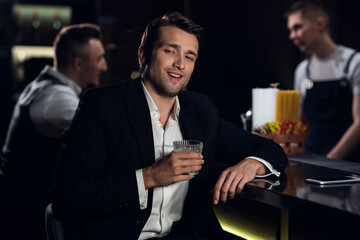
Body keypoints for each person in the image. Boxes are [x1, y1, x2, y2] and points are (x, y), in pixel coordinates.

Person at [52, 12, 287, 240]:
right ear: (144, 55)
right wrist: (149, 177)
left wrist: (250, 165)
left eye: (189, 57)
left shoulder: (200, 109)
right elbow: (68, 198)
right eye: (170, 51)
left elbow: (270, 150)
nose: (180, 64)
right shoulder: (103, 105)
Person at [0, 23, 107, 240]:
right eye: (99, 59)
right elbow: (101, 137)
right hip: (28, 218)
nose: (104, 67)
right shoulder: (56, 98)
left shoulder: (45, 86)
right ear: (78, 63)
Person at [285, 1, 360, 161]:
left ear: (319, 24)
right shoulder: (302, 70)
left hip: (350, 165)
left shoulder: (354, 63)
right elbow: (301, 121)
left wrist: (330, 161)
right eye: (290, 30)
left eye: (297, 27)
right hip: (313, 161)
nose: (292, 36)